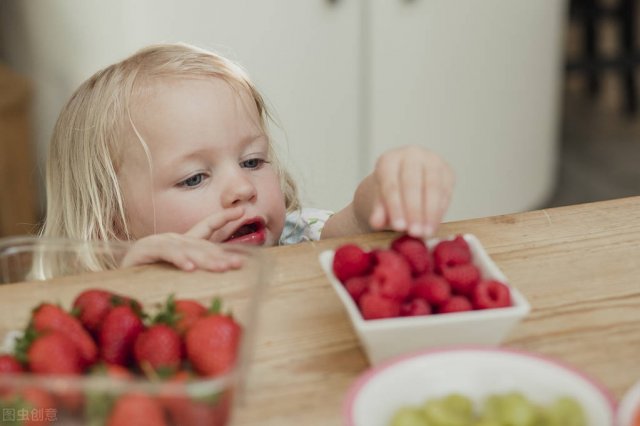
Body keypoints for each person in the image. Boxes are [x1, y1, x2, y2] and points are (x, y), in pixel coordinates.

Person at [41, 43, 454, 272]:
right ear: (108, 223)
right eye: (194, 178)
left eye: (253, 162)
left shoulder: (291, 236)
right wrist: (138, 284)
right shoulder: (97, 289)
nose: (242, 188)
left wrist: (386, 190)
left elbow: (356, 226)